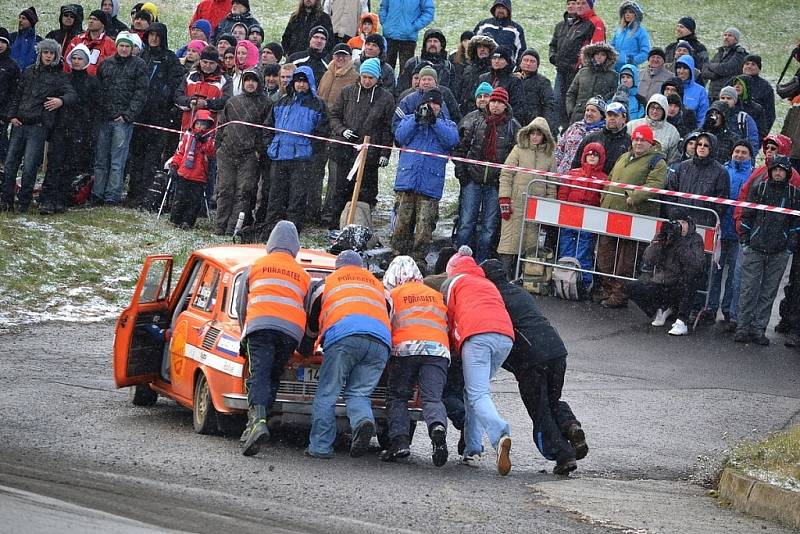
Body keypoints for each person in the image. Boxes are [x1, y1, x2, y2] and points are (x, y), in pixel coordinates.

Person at [481, 259, 589, 474]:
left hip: (531, 358)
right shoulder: (518, 291)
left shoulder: (493, 298)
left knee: (540, 411)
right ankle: (570, 425)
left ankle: (563, 455)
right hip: (557, 350)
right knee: (552, 399)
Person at [304, 250, 391, 459]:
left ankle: (320, 447)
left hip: (344, 337)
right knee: (359, 393)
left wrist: (305, 348)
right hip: (380, 341)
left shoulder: (327, 283)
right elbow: (389, 314)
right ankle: (362, 421)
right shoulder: (379, 286)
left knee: (328, 393)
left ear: (338, 267)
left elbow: (312, 323)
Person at [234, 220, 311, 455]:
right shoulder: (303, 275)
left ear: (270, 244)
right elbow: (306, 310)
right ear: (295, 248)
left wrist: (244, 332)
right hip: (290, 334)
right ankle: (260, 422)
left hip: (260, 328)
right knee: (273, 376)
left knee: (259, 375)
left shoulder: (255, 267)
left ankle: (256, 423)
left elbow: (241, 305)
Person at [440, 246, 514, 475]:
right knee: (474, 392)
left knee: (477, 394)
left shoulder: (453, 283)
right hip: (505, 337)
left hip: (477, 336)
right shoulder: (487, 283)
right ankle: (472, 449)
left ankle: (500, 434)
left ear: (451, 269)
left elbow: (448, 319)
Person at [379, 256, 451, 466]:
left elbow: (386, 324)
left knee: (398, 396)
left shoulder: (392, 294)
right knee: (432, 399)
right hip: (438, 350)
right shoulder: (435, 295)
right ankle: (437, 428)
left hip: (406, 349)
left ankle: (399, 443)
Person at [596, 125, 668, 308]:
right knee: (605, 254)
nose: (637, 142)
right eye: (635, 139)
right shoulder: (624, 156)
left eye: (642, 140)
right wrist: (605, 194)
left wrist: (634, 197)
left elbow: (655, 184)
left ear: (650, 142)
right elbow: (611, 177)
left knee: (626, 260)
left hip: (635, 217)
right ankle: (608, 288)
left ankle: (620, 295)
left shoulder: (657, 161)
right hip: (612, 212)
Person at [1, 39, 76, 213]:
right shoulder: (28, 72)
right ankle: (6, 199)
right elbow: (17, 95)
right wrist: (11, 116)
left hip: (38, 126)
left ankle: (24, 202)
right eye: (45, 52)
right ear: (40, 54)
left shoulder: (59, 77)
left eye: (51, 53)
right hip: (19, 123)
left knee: (30, 165)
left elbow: (72, 95)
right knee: (11, 163)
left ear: (56, 56)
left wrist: (61, 100)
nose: (48, 56)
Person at [392, 88, 459, 272]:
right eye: (429, 104)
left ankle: (419, 260)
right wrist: (416, 119)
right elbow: (400, 136)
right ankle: (397, 256)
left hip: (430, 184)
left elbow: (451, 141)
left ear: (441, 106)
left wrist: (435, 122)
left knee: (424, 227)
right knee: (402, 224)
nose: (432, 107)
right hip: (407, 180)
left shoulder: (448, 124)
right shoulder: (410, 119)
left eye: (436, 105)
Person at [736, 156, 800, 345]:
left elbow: (796, 225)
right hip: (755, 247)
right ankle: (742, 327)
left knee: (768, 293)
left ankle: (759, 329)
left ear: (788, 172)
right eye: (775, 169)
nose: (778, 173)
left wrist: (789, 247)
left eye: (782, 170)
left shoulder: (794, 194)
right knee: (748, 290)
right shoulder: (759, 188)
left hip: (778, 251)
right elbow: (747, 216)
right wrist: (745, 241)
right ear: (770, 171)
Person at [453, 87, 520, 263]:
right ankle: (459, 261)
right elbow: (460, 148)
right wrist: (462, 173)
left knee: (489, 228)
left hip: (494, 183)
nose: (496, 106)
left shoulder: (513, 127)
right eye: (494, 101)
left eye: (500, 102)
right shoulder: (474, 120)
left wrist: (502, 180)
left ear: (506, 106)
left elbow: (515, 157)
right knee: (466, 224)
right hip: (472, 179)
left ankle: (482, 263)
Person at [324, 58, 394, 226]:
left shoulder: (386, 98)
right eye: (364, 77)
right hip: (344, 149)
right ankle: (336, 223)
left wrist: (385, 152)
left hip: (369, 154)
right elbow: (334, 116)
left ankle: (359, 225)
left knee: (365, 192)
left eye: (371, 77)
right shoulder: (347, 92)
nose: (367, 81)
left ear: (377, 78)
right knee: (340, 189)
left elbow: (387, 128)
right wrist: (342, 130)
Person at [263, 66, 329, 235]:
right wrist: (270, 145)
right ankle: (271, 228)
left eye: (304, 81)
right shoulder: (282, 101)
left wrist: (311, 150)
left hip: (302, 157)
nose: (300, 85)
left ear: (310, 83)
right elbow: (267, 127)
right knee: (275, 195)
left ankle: (292, 231)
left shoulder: (318, 105)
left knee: (297, 196)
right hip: (279, 155)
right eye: (298, 81)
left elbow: (322, 132)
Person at [125, 22, 184, 207]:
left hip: (159, 116)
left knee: (152, 157)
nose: (153, 38)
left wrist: (164, 98)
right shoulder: (142, 55)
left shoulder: (170, 59)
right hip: (139, 114)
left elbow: (176, 85)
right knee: (136, 156)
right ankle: (132, 193)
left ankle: (144, 195)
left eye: (157, 35)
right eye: (151, 34)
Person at [41, 44, 101, 214]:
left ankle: (62, 198)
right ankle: (47, 198)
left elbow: (95, 108)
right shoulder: (63, 78)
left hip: (80, 129)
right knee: (55, 163)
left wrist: (90, 131)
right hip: (61, 127)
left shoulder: (93, 82)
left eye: (80, 58)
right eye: (73, 58)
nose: (76, 62)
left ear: (86, 61)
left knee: (71, 165)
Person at [626, 208, 705, 335]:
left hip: (683, 284)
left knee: (690, 279)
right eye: (677, 223)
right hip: (664, 281)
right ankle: (660, 309)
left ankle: (682, 321)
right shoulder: (666, 236)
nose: (681, 227)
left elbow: (697, 265)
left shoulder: (695, 239)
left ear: (688, 222)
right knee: (632, 287)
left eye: (683, 223)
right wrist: (659, 242)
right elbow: (648, 260)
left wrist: (680, 244)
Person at [92, 33, 148, 205]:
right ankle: (97, 193)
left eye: (127, 46)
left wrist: (127, 115)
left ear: (132, 48)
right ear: (117, 46)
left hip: (123, 120)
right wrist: (105, 111)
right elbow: (98, 91)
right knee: (101, 159)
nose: (124, 49)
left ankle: (112, 195)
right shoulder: (106, 64)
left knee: (118, 161)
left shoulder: (139, 65)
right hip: (105, 118)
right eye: (121, 45)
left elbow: (141, 93)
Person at [214, 68, 271, 234]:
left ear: (259, 82)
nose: (250, 83)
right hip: (227, 153)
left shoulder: (266, 103)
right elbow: (221, 125)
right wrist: (218, 146)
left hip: (249, 156)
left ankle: (234, 228)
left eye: (254, 80)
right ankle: (220, 225)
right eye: (247, 80)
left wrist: (258, 151)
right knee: (224, 189)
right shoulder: (232, 102)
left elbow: (266, 130)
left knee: (243, 192)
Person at [496, 117, 555, 274]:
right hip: (516, 202)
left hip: (537, 205)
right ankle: (505, 275)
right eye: (532, 133)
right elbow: (506, 174)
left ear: (545, 136)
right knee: (510, 240)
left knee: (531, 243)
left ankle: (527, 276)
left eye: (539, 134)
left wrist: (549, 206)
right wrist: (504, 199)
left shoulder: (549, 156)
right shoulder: (518, 150)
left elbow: (551, 183)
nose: (535, 137)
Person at [706, 140, 753, 326]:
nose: (739, 155)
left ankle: (729, 311)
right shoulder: (723, 170)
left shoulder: (751, 175)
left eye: (744, 152)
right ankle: (710, 307)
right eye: (737, 151)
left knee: (735, 276)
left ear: (750, 156)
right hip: (720, 230)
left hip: (738, 233)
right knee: (715, 273)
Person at [557, 142, 607, 290]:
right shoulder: (573, 173)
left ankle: (583, 283)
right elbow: (564, 192)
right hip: (570, 216)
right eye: (590, 154)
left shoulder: (603, 178)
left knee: (584, 249)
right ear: (584, 156)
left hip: (590, 220)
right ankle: (562, 278)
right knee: (566, 246)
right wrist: (561, 208)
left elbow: (602, 199)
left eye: (596, 155)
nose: (592, 157)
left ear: (601, 158)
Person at [548, 0, 602, 131]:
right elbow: (558, 44)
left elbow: (597, 49)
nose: (578, 6)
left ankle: (569, 132)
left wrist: (582, 66)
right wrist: (556, 58)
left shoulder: (594, 22)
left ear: (590, 5)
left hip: (577, 72)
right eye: (577, 3)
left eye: (583, 3)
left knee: (572, 105)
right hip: (562, 69)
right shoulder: (575, 22)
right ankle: (558, 133)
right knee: (558, 103)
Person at [666, 131, 729, 228]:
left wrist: (711, 219)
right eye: (699, 144)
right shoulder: (683, 166)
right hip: (680, 220)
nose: (702, 147)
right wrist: (673, 213)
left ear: (712, 148)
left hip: (704, 223)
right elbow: (672, 191)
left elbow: (721, 201)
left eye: (706, 145)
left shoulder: (720, 171)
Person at [167, 110, 215, 229]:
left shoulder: (209, 139)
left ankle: (188, 222)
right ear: (194, 123)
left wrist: (203, 142)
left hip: (199, 176)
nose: (200, 127)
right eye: (198, 124)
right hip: (184, 172)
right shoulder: (188, 136)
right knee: (179, 197)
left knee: (194, 201)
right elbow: (180, 152)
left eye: (203, 125)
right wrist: (174, 165)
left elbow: (211, 153)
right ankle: (175, 219)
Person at [175, 45, 232, 131]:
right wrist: (189, 102)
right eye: (205, 62)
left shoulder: (225, 79)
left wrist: (206, 103)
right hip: (188, 127)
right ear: (200, 61)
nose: (208, 66)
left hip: (211, 130)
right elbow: (177, 96)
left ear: (217, 63)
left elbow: (227, 101)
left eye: (211, 63)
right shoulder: (190, 76)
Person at [571, 100, 629, 175]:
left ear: (624, 118)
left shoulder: (629, 141)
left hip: (613, 183)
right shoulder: (591, 138)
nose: (612, 118)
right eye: (609, 115)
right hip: (588, 182)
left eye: (616, 115)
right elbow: (576, 163)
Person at [565, 42, 617, 125]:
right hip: (578, 115)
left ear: (607, 57)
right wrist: (571, 111)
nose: (599, 57)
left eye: (602, 54)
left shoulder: (612, 76)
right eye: (596, 54)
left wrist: (604, 112)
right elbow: (571, 93)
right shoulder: (582, 72)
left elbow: (613, 96)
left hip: (600, 119)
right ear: (592, 55)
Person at [378, 0, 435, 75]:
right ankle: (385, 86)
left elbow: (428, 12)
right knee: (385, 69)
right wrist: (385, 22)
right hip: (389, 36)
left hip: (408, 38)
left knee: (406, 71)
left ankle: (403, 87)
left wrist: (414, 26)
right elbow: (383, 7)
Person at [554, 96, 605, 174]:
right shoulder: (575, 127)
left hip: (581, 178)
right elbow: (560, 148)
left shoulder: (602, 133)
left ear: (601, 115)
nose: (589, 113)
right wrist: (555, 167)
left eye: (593, 111)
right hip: (561, 174)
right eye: (587, 110)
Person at [396, 29, 455, 97]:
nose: (432, 44)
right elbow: (401, 88)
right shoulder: (413, 63)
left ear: (441, 45)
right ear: (425, 44)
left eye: (435, 41)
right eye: (429, 41)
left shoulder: (449, 67)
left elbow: (453, 93)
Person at [513, 48, 557, 133]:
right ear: (520, 62)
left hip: (532, 124)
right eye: (526, 60)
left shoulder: (543, 82)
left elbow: (549, 105)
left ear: (537, 65)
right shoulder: (513, 79)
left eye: (532, 61)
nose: (528, 63)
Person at [63, 11, 120, 77]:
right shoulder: (77, 40)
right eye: (90, 18)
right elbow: (66, 62)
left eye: (95, 19)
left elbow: (113, 67)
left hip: (98, 83)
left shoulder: (110, 44)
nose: (91, 21)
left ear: (103, 24)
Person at [627, 94, 681, 163]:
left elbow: (672, 160)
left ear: (664, 110)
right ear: (647, 108)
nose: (655, 111)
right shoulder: (632, 125)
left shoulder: (672, 132)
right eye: (652, 107)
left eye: (658, 108)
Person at [473, 0, 526, 64]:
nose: (500, 11)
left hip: (506, 67)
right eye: (498, 8)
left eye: (503, 8)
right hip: (483, 65)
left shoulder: (516, 29)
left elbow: (521, 50)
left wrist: (517, 67)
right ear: (494, 10)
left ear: (508, 11)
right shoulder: (484, 24)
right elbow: (473, 43)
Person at [703, 28, 748, 102]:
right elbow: (704, 71)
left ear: (736, 39)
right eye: (725, 35)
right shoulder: (720, 52)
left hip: (728, 96)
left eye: (730, 35)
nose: (726, 37)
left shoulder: (739, 53)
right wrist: (716, 74)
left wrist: (711, 66)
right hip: (712, 96)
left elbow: (727, 68)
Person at [458, 34, 497, 116]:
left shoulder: (495, 70)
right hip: (465, 113)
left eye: (485, 46)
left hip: (486, 113)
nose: (482, 49)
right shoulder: (468, 69)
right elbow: (461, 92)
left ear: (491, 50)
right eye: (479, 47)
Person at [0, 28, 22, 165]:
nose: (0, 45)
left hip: (2, 112)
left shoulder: (12, 66)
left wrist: (5, 114)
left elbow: (15, 92)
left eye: (3, 42)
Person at [739, 55, 775, 137]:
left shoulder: (765, 87)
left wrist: (762, 134)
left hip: (754, 131)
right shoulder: (734, 82)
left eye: (753, 64)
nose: (749, 66)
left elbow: (770, 114)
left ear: (759, 68)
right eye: (747, 63)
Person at [290, 26, 332, 92]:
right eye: (316, 37)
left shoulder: (329, 64)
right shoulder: (295, 58)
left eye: (323, 38)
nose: (319, 41)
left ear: (326, 42)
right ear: (310, 39)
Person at [610, 1, 649, 72]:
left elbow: (645, 53)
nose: (627, 14)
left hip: (629, 70)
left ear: (636, 15)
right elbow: (611, 46)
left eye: (630, 12)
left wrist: (632, 60)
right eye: (625, 12)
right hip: (614, 68)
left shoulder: (641, 32)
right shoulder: (619, 30)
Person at [317, 43, 358, 108]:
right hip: (321, 114)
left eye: (344, 56)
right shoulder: (327, 73)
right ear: (333, 57)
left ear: (350, 57)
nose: (341, 58)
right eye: (338, 55)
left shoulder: (355, 77)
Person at [700, 101, 740, 165]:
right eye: (712, 113)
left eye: (718, 113)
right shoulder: (701, 133)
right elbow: (683, 146)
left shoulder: (732, 138)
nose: (714, 116)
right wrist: (704, 127)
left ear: (724, 116)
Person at [674, 54, 708, 126]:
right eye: (679, 68)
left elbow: (702, 117)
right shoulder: (670, 87)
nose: (681, 71)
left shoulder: (700, 91)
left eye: (685, 68)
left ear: (691, 70)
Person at [730, 75, 767, 140]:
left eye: (741, 84)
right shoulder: (728, 105)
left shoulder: (756, 108)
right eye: (735, 84)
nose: (737, 86)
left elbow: (761, 132)